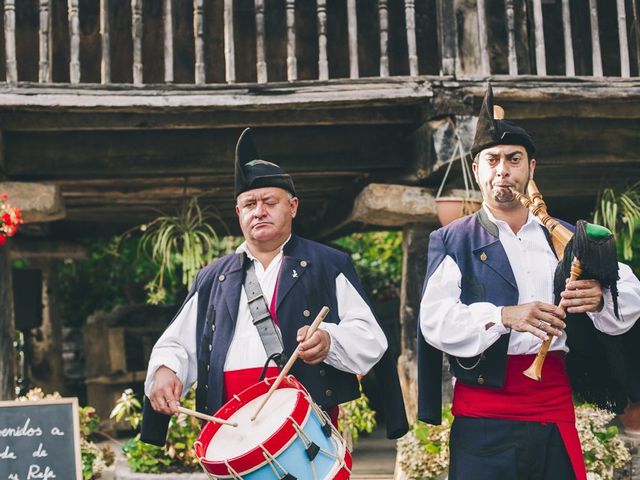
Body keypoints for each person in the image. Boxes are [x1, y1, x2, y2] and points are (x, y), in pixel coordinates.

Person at [417, 85, 640, 480]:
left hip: (553, 409)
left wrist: (600, 297)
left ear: (531, 168)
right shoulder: (453, 240)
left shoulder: (568, 237)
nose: (503, 169)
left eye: (514, 159)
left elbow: (630, 295)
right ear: (477, 170)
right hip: (482, 419)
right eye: (492, 160)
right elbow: (434, 321)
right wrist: (505, 316)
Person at [141, 128, 408, 446]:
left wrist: (329, 340)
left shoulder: (327, 264)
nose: (259, 211)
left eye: (270, 201)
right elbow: (177, 344)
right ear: (239, 213)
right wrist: (165, 370)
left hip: (306, 419)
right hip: (230, 425)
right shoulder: (212, 277)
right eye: (250, 204)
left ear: (293, 206)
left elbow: (371, 337)